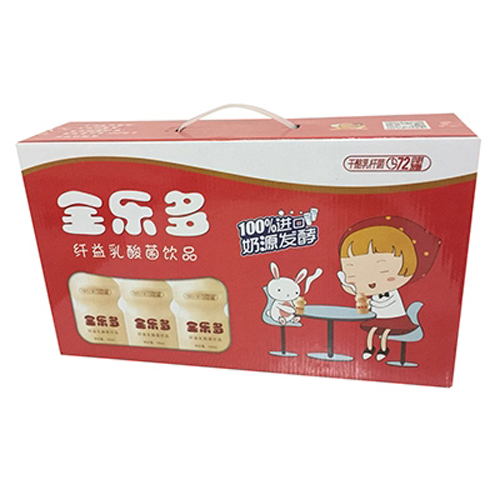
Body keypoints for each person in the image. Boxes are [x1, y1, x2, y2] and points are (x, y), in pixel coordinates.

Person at [338, 215, 441, 361]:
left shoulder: (392, 292)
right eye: (353, 270)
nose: (371, 279)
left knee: (385, 332)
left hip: (394, 318)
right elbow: (366, 298)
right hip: (378, 317)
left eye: (383, 270)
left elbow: (389, 304)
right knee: (372, 331)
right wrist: (352, 290)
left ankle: (383, 350)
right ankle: (369, 348)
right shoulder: (372, 294)